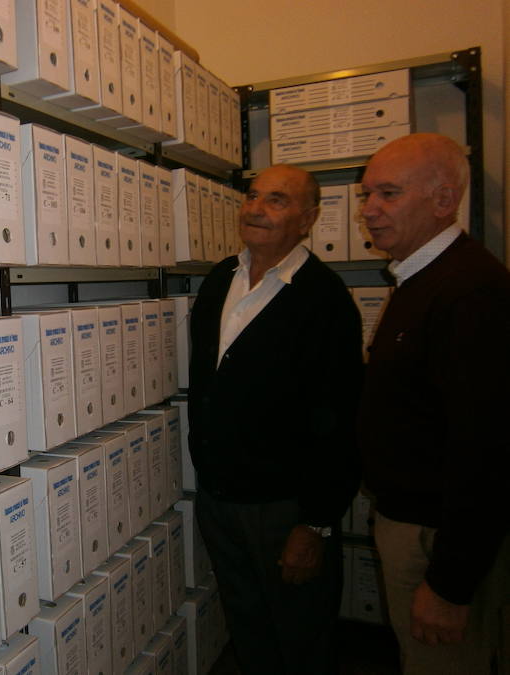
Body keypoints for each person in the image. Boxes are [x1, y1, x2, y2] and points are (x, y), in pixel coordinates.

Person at [188, 164, 363, 675]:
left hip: (286, 510)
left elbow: (340, 420)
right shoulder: (221, 278)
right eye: (252, 196)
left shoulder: (324, 299)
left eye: (277, 201)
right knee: (249, 630)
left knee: (302, 637)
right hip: (221, 498)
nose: (257, 209)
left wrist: (313, 523)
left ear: (307, 219)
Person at [358, 132, 510, 674]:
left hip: (434, 540)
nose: (369, 211)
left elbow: (487, 451)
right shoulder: (421, 279)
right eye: (366, 194)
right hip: (414, 526)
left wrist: (448, 585)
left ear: (444, 201)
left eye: (389, 194)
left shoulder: (470, 290)